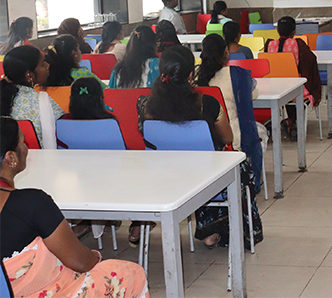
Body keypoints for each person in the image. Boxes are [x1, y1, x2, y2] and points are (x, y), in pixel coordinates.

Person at [0, 117, 150, 298]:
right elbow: (80, 262)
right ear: (11, 158)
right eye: (23, 142)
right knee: (130, 274)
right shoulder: (32, 203)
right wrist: (95, 257)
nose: (26, 148)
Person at [137, 46, 262, 249]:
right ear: (189, 74)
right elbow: (228, 137)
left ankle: (209, 228)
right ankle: (217, 229)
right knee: (237, 168)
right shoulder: (207, 103)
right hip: (205, 177)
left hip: (163, 178)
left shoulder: (146, 107)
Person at [194, 34, 265, 191]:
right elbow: (253, 94)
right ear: (226, 51)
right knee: (262, 132)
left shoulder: (196, 75)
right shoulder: (235, 75)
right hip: (231, 134)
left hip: (202, 134)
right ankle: (254, 175)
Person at [265, 17, 322, 139]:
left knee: (289, 86)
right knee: (299, 85)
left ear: (277, 30)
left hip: (273, 88)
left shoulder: (269, 45)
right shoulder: (298, 44)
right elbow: (310, 63)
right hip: (294, 88)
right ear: (294, 31)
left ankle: (289, 122)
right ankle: (292, 122)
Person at [0, 46, 60, 147]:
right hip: (39, 159)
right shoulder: (42, 101)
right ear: (29, 75)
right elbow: (63, 127)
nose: (47, 66)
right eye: (42, 64)